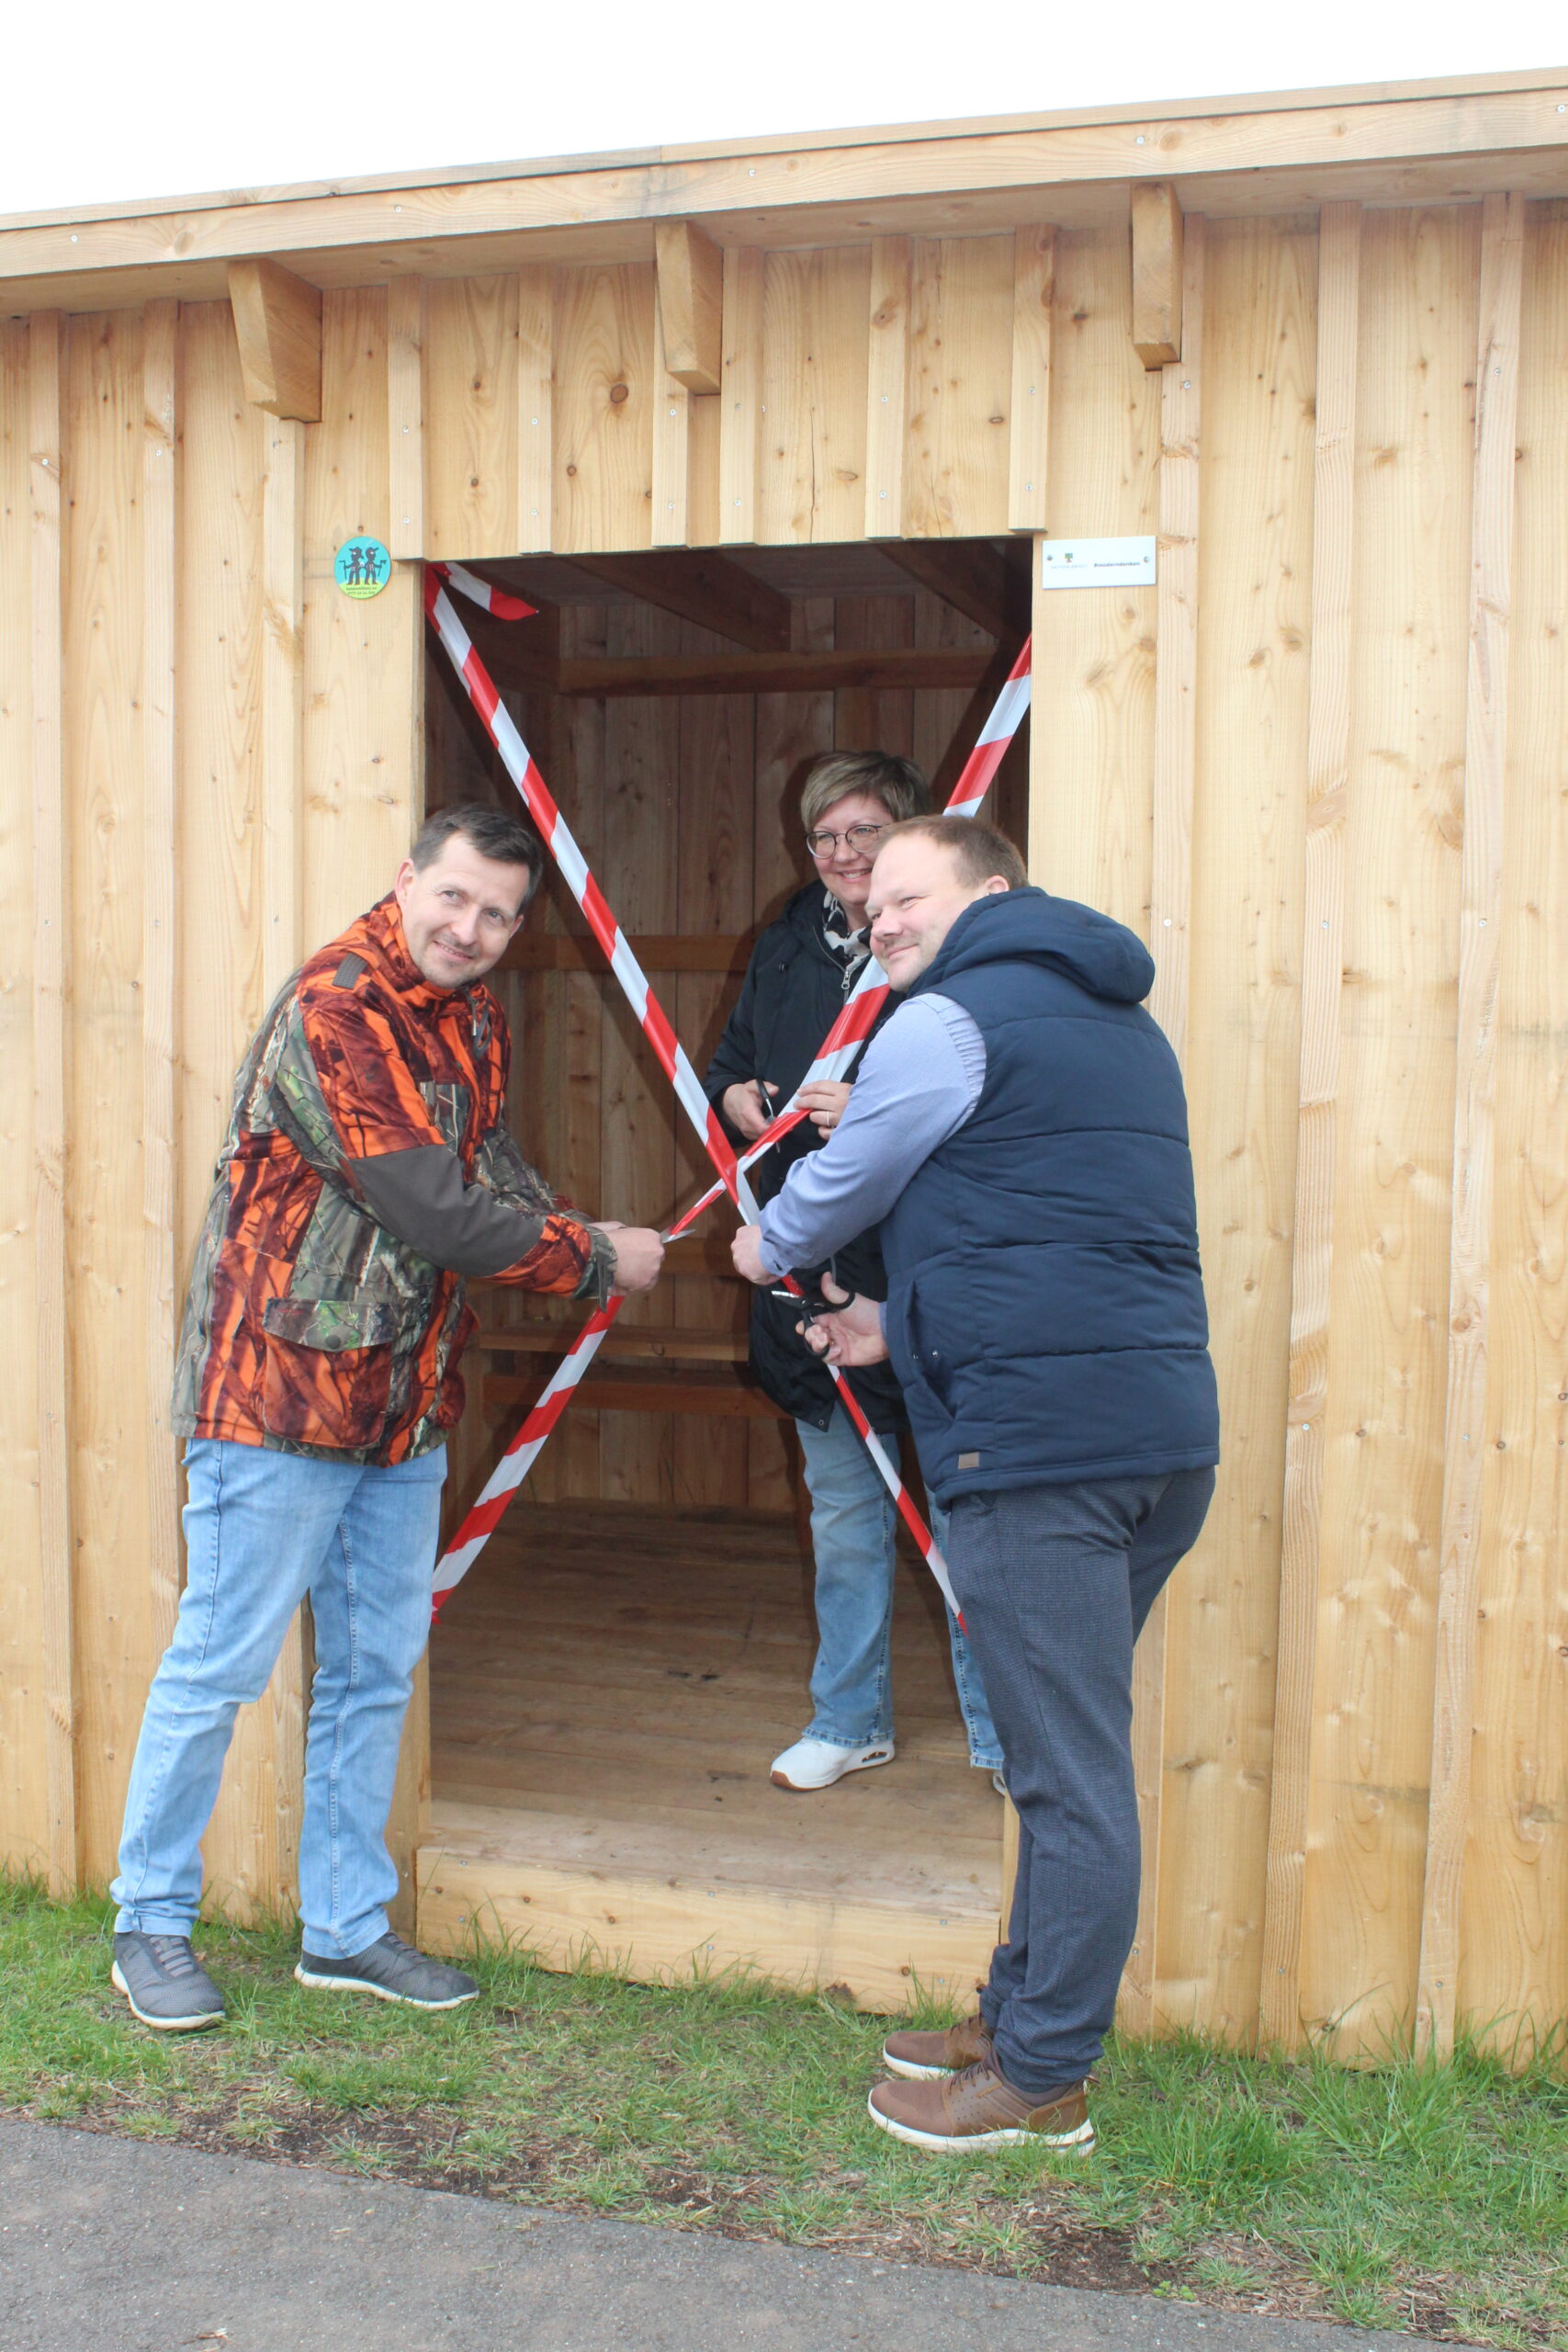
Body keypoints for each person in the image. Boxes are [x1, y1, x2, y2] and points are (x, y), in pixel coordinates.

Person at [111, 804, 664, 2032]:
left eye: (498, 915)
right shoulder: (339, 1009)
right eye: (454, 896)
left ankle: (345, 1930)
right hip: (276, 1401)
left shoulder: (466, 1016)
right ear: (407, 878)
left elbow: (486, 1168)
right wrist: (589, 1258)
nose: (469, 928)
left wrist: (583, 1231)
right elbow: (430, 1206)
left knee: (372, 1674)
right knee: (219, 1664)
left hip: (404, 1407)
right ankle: (147, 1921)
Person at [731, 815, 1219, 2153]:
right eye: (872, 903)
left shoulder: (946, 1021)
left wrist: (763, 1241)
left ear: (992, 891)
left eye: (909, 895)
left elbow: (838, 1186)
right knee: (1061, 1749)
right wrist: (894, 1326)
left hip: (1038, 1456)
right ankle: (1016, 2016)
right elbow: (1056, 1242)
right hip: (1150, 1443)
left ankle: (1040, 2075)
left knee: (1064, 1775)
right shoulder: (1116, 1022)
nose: (881, 918)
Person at [705, 753, 1002, 1795]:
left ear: (911, 838)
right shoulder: (786, 943)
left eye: (864, 832)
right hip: (813, 1283)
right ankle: (848, 1719)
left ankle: (1002, 1739)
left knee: (970, 1525)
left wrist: (870, 1114)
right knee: (843, 1519)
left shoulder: (949, 952)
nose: (841, 855)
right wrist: (737, 1096)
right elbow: (728, 1063)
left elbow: (981, 1106)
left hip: (927, 1284)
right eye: (824, 836)